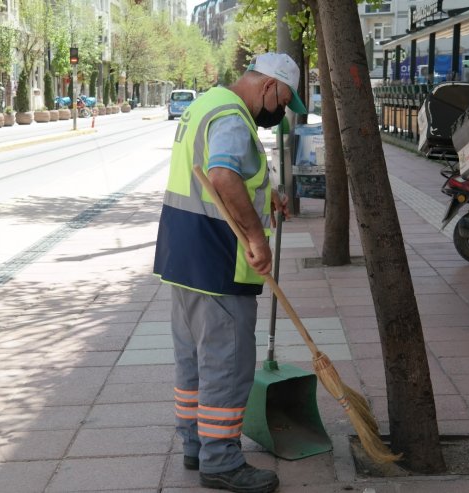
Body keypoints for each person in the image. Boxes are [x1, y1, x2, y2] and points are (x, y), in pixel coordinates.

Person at [153, 52, 307, 493]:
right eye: (283, 102)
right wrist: (257, 238)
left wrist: (267, 194)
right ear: (269, 87)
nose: (279, 113)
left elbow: (222, 173)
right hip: (220, 258)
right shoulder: (234, 117)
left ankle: (196, 443)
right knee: (227, 361)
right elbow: (222, 175)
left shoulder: (206, 104)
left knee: (193, 359)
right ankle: (221, 460)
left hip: (184, 255)